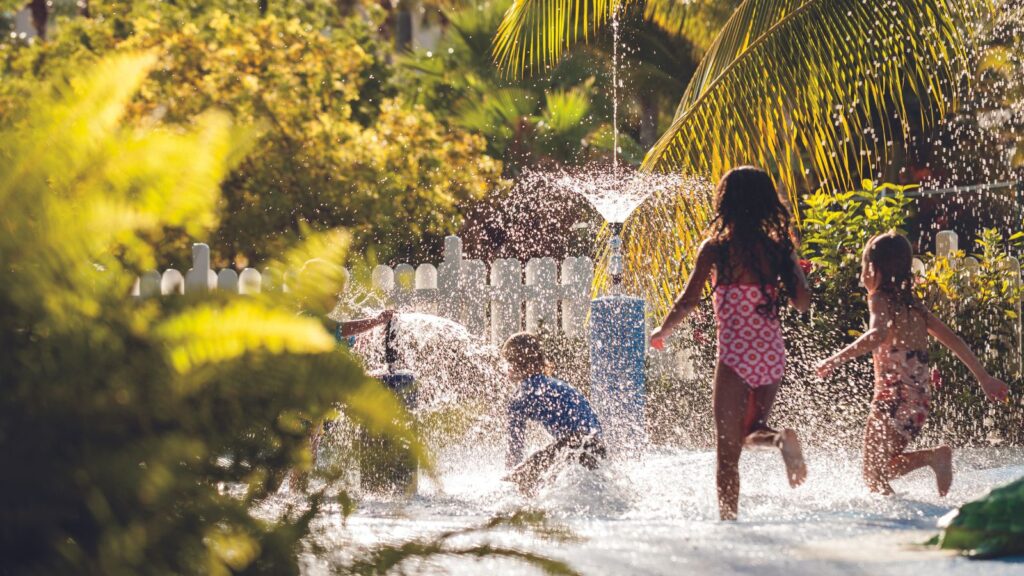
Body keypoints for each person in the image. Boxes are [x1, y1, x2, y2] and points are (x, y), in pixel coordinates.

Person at [649, 166, 811, 521]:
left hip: (736, 356)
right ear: (768, 203)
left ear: (726, 204)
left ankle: (729, 522)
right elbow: (802, 302)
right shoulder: (777, 249)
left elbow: (688, 301)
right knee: (751, 431)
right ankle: (780, 440)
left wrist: (663, 331)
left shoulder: (716, 250)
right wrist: (795, 268)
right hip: (771, 354)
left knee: (727, 452)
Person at [816, 232, 1009, 496]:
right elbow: (953, 340)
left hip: (893, 398)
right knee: (876, 473)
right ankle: (923, 470)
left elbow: (877, 334)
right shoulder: (916, 307)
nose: (862, 277)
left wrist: (836, 358)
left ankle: (932, 458)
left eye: (863, 268)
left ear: (873, 270)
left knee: (873, 474)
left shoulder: (879, 300)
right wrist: (983, 377)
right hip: (917, 400)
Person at [502, 332, 606, 496]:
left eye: (508, 363)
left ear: (515, 364)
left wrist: (510, 477)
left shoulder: (521, 395)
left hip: (576, 443)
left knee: (521, 475)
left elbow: (514, 448)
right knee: (543, 479)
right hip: (597, 447)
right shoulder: (556, 385)